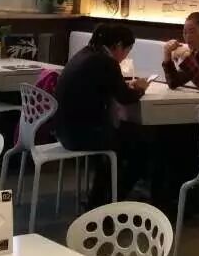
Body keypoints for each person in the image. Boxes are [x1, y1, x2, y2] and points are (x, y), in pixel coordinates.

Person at [54, 22, 148, 203]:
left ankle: (99, 198)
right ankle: (114, 198)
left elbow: (106, 87)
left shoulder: (86, 53)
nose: (125, 56)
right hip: (82, 134)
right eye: (127, 50)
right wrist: (141, 88)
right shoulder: (106, 61)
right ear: (119, 45)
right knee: (140, 145)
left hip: (64, 130)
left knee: (124, 139)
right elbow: (125, 97)